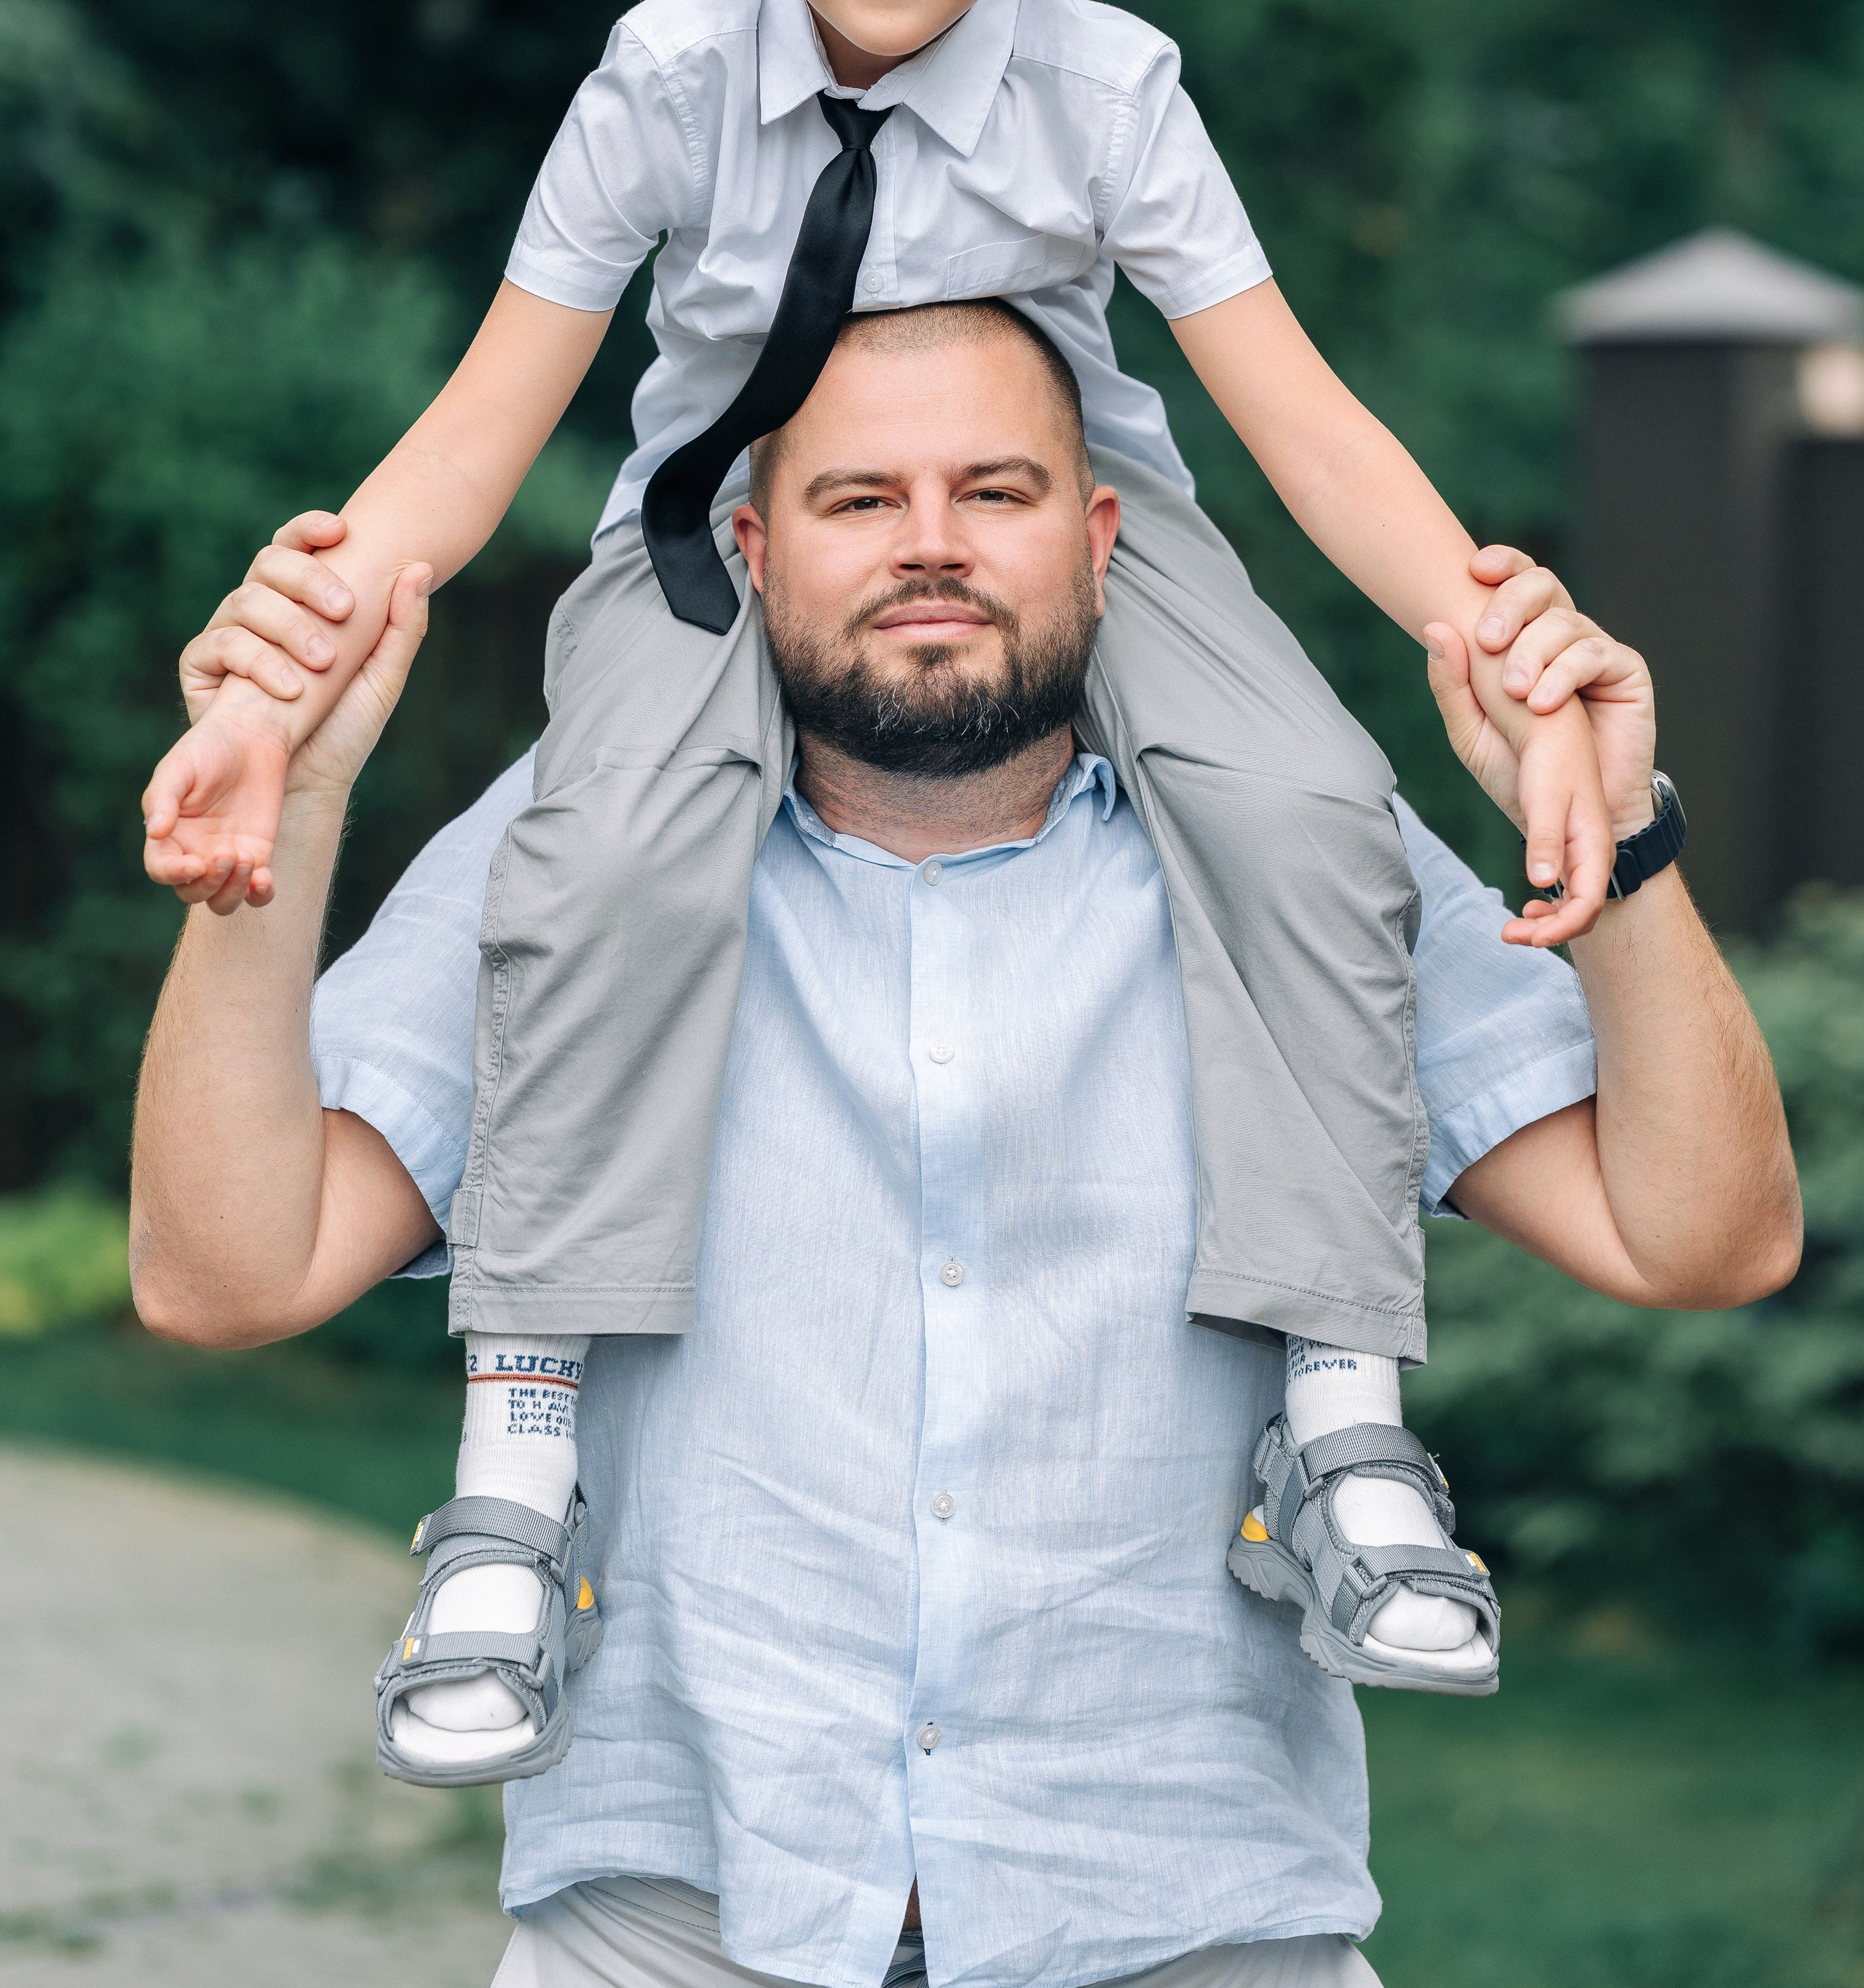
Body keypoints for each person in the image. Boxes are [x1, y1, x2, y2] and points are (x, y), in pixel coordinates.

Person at [141, 0, 1620, 1764]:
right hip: (727, 536)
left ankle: (1338, 1408)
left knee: (1310, 813)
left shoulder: (1109, 92)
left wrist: (1493, 652)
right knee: (605, 858)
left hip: (1073, 533)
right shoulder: (661, 80)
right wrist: (281, 686)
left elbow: (1299, 418)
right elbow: (480, 427)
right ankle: (518, 1459)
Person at [133, 303, 1798, 1988]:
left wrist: (1613, 834)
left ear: (1098, 537)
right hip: (667, 1936)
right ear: (751, 550)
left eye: (993, 491)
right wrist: (295, 797)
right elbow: (225, 1276)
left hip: (1197, 1934)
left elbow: (1699, 1238)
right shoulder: (576, 849)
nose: (928, 545)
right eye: (859, 498)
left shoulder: (1295, 845)